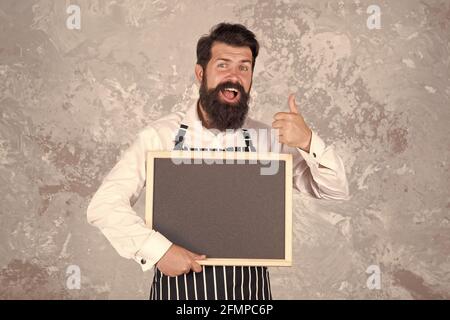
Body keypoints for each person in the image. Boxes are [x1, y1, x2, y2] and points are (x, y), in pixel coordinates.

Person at [87, 23, 349, 300]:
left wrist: (308, 142)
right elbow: (104, 205)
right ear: (201, 73)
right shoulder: (160, 136)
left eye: (244, 68)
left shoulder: (270, 139)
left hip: (250, 298)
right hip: (178, 294)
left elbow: (334, 190)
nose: (234, 76)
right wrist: (157, 250)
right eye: (223, 65)